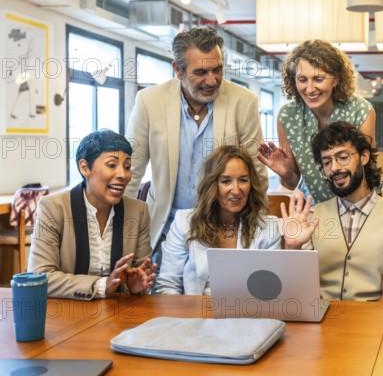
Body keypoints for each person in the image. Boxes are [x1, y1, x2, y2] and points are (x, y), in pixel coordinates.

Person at [124, 27, 267, 260]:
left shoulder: (244, 102)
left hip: (223, 230)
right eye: (201, 72)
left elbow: (257, 174)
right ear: (178, 70)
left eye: (217, 70)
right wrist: (125, 232)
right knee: (163, 293)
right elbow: (130, 172)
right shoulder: (149, 102)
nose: (212, 80)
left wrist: (254, 235)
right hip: (164, 228)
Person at [286, 121, 383, 302]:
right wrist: (292, 249)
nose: (334, 168)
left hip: (375, 324)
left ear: (364, 157)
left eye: (343, 157)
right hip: (319, 323)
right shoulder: (309, 218)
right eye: (327, 162)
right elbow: (299, 294)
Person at [156, 145, 317, 295]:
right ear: (212, 185)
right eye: (226, 181)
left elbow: (276, 291)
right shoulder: (184, 222)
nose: (236, 190)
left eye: (243, 180)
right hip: (194, 317)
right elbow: (168, 285)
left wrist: (292, 247)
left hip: (250, 318)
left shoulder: (267, 227)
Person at [28, 129, 156, 300]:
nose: (123, 175)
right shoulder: (53, 208)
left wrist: (135, 287)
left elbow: (140, 274)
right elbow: (40, 276)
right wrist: (102, 286)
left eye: (127, 167)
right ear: (85, 167)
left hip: (118, 314)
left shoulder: (138, 211)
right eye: (112, 165)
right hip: (67, 313)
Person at [257, 39, 376, 203]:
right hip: (314, 209)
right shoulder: (287, 116)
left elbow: (368, 172)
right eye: (302, 79)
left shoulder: (361, 110)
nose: (310, 88)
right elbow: (291, 183)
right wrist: (286, 174)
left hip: (359, 204)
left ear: (336, 79)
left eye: (318, 79)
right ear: (293, 80)